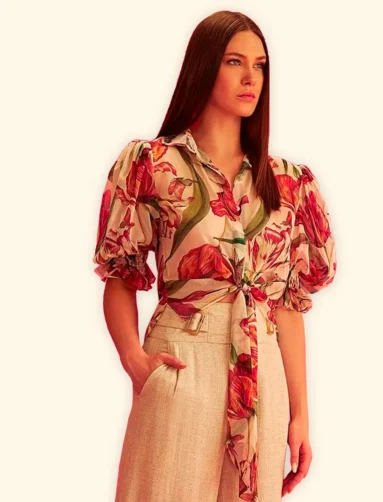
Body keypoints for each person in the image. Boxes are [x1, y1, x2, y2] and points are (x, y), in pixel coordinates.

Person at [92, 9, 337, 502]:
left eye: (260, 65)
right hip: (183, 361)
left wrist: (300, 414)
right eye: (234, 62)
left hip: (264, 375)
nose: (252, 78)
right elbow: (120, 275)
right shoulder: (153, 164)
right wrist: (135, 361)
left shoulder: (289, 182)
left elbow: (286, 307)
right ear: (204, 67)